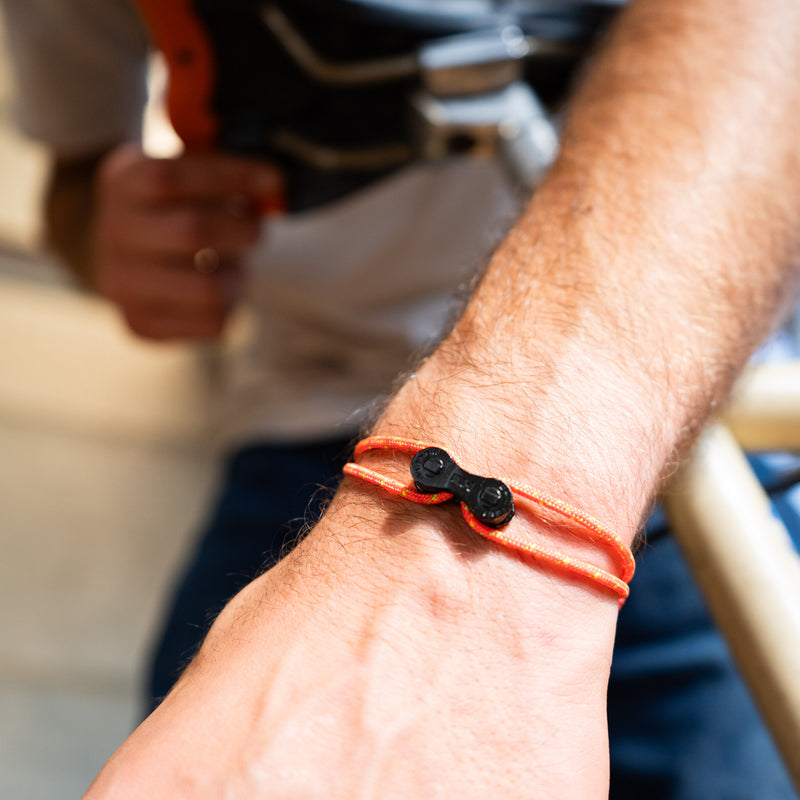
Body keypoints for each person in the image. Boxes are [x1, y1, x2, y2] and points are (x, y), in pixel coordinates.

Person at [3, 0, 799, 797]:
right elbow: (75, 174)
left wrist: (503, 506)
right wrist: (108, 230)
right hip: (313, 409)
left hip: (680, 403)